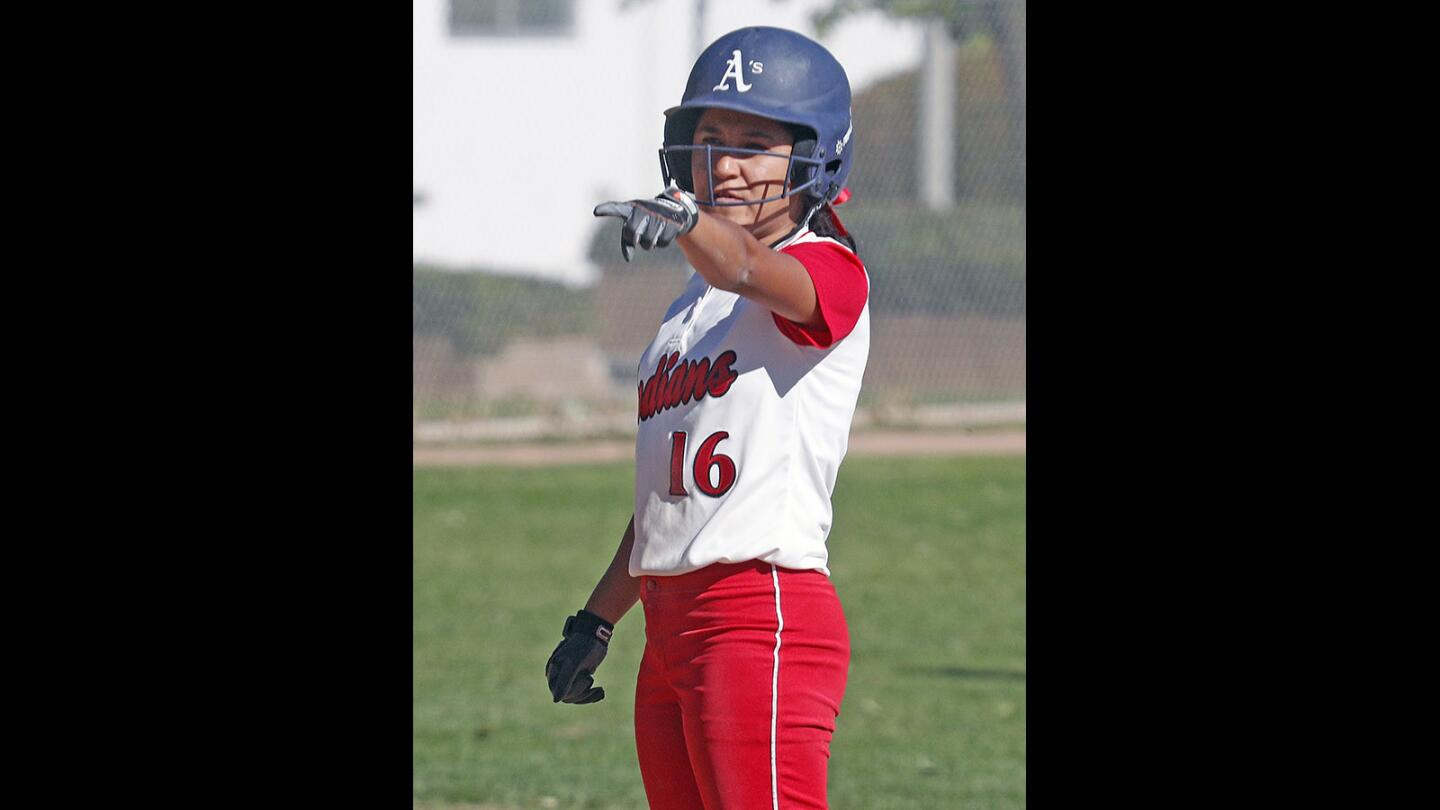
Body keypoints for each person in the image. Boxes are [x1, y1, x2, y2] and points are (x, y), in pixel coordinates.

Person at [546, 26, 869, 810]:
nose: (723, 163)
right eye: (709, 139)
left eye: (754, 143)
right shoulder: (697, 302)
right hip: (670, 626)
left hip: (758, 616)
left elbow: (754, 265)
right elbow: (667, 503)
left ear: (816, 157)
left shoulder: (827, 266)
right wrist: (598, 616)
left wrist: (690, 224)